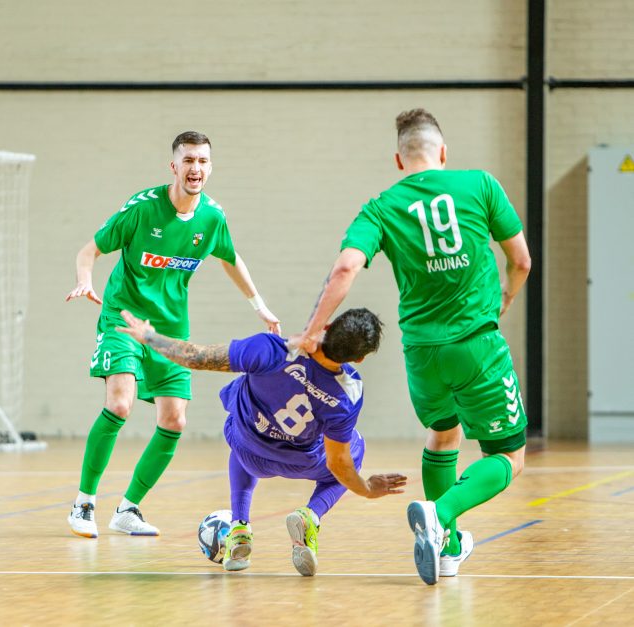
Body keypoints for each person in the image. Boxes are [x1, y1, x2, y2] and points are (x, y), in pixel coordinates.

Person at [297, 109, 533, 585]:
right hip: (476, 344)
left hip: (421, 354)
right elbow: (521, 260)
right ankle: (440, 514)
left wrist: (312, 331)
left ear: (399, 160)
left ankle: (446, 552)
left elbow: (345, 268)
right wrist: (504, 299)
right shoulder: (481, 185)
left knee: (444, 436)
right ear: (442, 152)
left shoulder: (382, 207)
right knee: (510, 455)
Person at [65, 131, 281, 538]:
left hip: (170, 331)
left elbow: (231, 260)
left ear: (210, 168)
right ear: (174, 166)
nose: (195, 168)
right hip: (123, 319)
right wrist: (84, 280)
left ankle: (128, 509)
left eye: (202, 161)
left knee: (175, 419)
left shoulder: (212, 218)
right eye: (188, 161)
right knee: (120, 403)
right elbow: (88, 251)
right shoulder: (142, 209)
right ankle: (83, 503)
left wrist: (260, 306)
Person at [117, 307, 407, 575]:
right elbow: (338, 464)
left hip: (249, 450)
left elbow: (196, 356)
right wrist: (367, 489)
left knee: (238, 422)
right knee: (353, 450)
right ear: (359, 358)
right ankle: (311, 515)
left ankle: (239, 527)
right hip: (301, 462)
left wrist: (150, 337)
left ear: (327, 326)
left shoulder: (271, 349)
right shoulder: (349, 392)